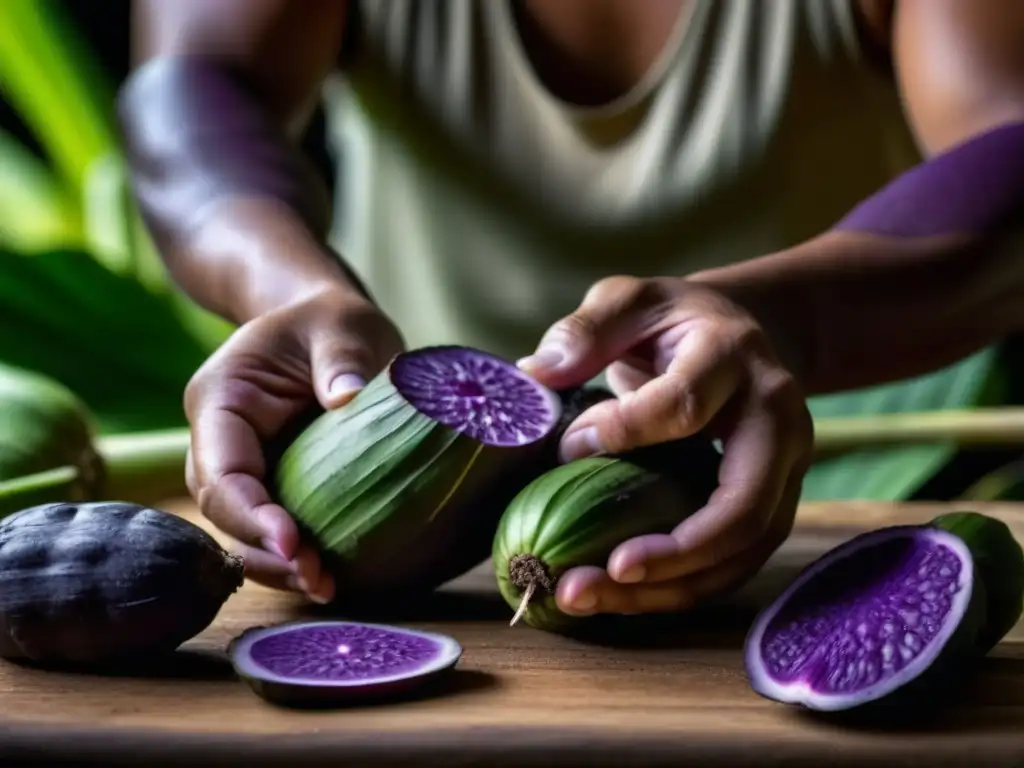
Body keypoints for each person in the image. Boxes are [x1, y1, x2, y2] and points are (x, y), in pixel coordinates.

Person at [118, 0, 1024, 615]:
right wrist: (292, 293)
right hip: (420, 534)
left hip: (848, 496)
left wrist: (771, 324)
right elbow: (193, 79)